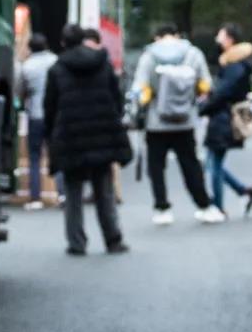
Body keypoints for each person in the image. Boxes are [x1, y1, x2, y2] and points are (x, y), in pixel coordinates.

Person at [44, 24, 132, 256]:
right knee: (104, 190)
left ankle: (77, 242)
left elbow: (50, 108)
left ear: (63, 43)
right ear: (83, 40)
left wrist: (51, 137)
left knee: (73, 192)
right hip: (102, 134)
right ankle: (113, 239)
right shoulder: (102, 63)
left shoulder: (57, 69)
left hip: (71, 136)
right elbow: (116, 98)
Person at [131, 23, 222, 224]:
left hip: (156, 121)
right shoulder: (193, 54)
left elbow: (140, 89)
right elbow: (205, 85)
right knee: (191, 165)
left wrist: (142, 108)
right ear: (177, 35)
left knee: (156, 167)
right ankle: (204, 206)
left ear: (157, 37)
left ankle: (162, 208)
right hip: (185, 120)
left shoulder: (149, 56)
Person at [201, 23, 252, 216]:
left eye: (221, 35)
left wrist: (205, 107)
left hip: (224, 118)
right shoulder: (237, 64)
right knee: (212, 163)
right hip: (226, 116)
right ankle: (242, 191)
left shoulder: (234, 66)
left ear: (230, 40)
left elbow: (222, 93)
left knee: (214, 164)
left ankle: (218, 206)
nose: (217, 39)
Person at [15, 31, 57, 206]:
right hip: (54, 114)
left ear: (30, 48)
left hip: (35, 114)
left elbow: (20, 91)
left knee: (34, 156)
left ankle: (35, 197)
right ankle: (62, 194)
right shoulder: (56, 62)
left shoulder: (27, 66)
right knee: (56, 154)